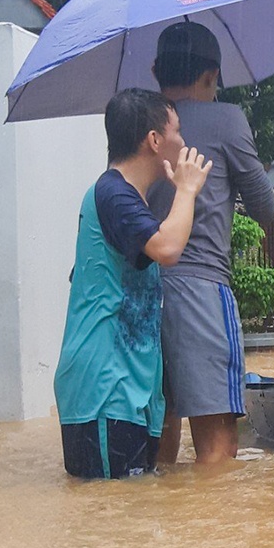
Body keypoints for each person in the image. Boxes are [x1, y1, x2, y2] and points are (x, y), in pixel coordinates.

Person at [54, 89, 210, 478]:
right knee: (110, 506)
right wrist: (186, 190)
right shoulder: (113, 194)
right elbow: (168, 247)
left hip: (128, 391)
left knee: (131, 508)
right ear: (154, 140)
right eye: (177, 131)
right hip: (105, 392)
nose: (183, 142)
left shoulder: (126, 200)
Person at [146, 22, 274, 466]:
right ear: (211, 75)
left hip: (139, 292)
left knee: (157, 443)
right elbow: (265, 208)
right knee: (217, 450)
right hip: (200, 289)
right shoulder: (228, 119)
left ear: (155, 71)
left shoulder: (140, 122)